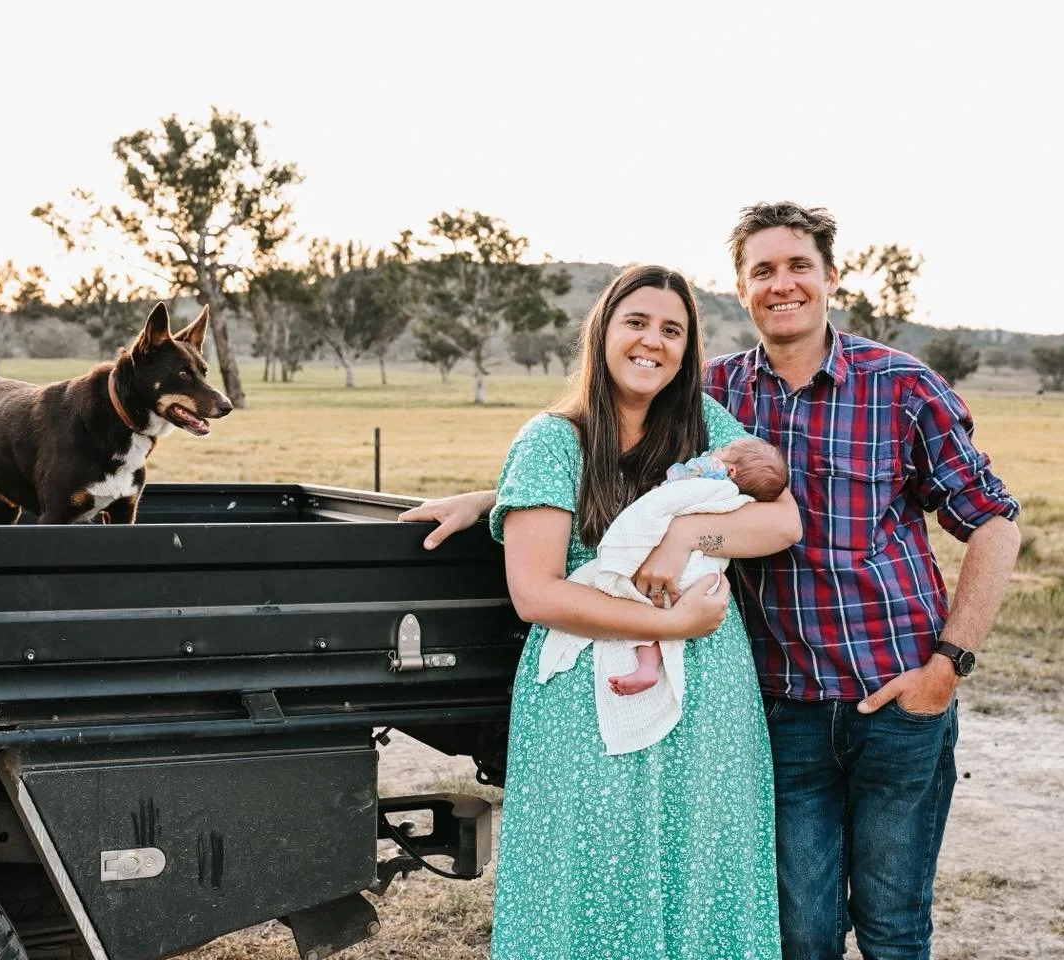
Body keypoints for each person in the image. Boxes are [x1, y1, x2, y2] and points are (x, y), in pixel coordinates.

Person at [399, 203, 1022, 960]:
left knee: (892, 925)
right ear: (742, 286)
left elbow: (985, 521)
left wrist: (947, 666)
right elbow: (599, 471)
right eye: (763, 270)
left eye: (798, 267)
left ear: (830, 277)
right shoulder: (715, 393)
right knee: (799, 929)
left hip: (891, 691)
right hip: (782, 702)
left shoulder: (888, 387)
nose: (782, 284)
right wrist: (492, 498)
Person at [476, 264, 800, 959]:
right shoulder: (552, 440)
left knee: (701, 866)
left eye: (672, 330)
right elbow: (535, 593)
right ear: (603, 332)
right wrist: (668, 625)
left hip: (708, 695)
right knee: (590, 868)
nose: (652, 341)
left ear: (687, 350)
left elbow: (782, 524)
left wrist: (687, 535)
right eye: (637, 322)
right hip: (583, 701)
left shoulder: (705, 427)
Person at [602, 437, 790, 699]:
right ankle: (648, 666)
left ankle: (647, 666)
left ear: (731, 471)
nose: (716, 450)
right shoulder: (738, 495)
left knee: (644, 607)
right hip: (701, 575)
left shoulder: (711, 476)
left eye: (723, 451)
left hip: (686, 569)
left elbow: (675, 480)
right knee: (658, 613)